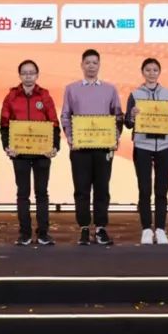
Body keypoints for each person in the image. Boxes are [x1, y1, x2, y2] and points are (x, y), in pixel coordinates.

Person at [61, 49, 123, 247]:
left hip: (103, 148)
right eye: (87, 62)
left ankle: (101, 228)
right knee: (81, 189)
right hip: (80, 148)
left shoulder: (110, 89)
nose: (91, 66)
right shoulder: (71, 89)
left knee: (102, 188)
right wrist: (71, 138)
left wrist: (115, 138)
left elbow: (118, 116)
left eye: (95, 62)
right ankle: (84, 228)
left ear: (99, 65)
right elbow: (65, 116)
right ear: (82, 65)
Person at [0, 59, 59, 246]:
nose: (28, 76)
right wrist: (7, 146)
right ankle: (24, 233)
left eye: (31, 73)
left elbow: (54, 123)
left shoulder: (45, 96)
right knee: (22, 193)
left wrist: (55, 146)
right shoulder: (11, 97)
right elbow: (4, 125)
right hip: (20, 153)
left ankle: (43, 233)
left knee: (42, 193)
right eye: (24, 73)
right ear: (19, 75)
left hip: (42, 153)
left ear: (37, 75)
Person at [124, 57, 168, 246]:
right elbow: (128, 123)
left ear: (159, 72)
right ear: (142, 72)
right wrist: (131, 116)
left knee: (162, 190)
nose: (152, 73)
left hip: (164, 146)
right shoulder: (135, 94)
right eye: (148, 70)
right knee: (144, 189)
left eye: (155, 70)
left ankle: (161, 229)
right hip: (142, 146)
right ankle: (146, 229)